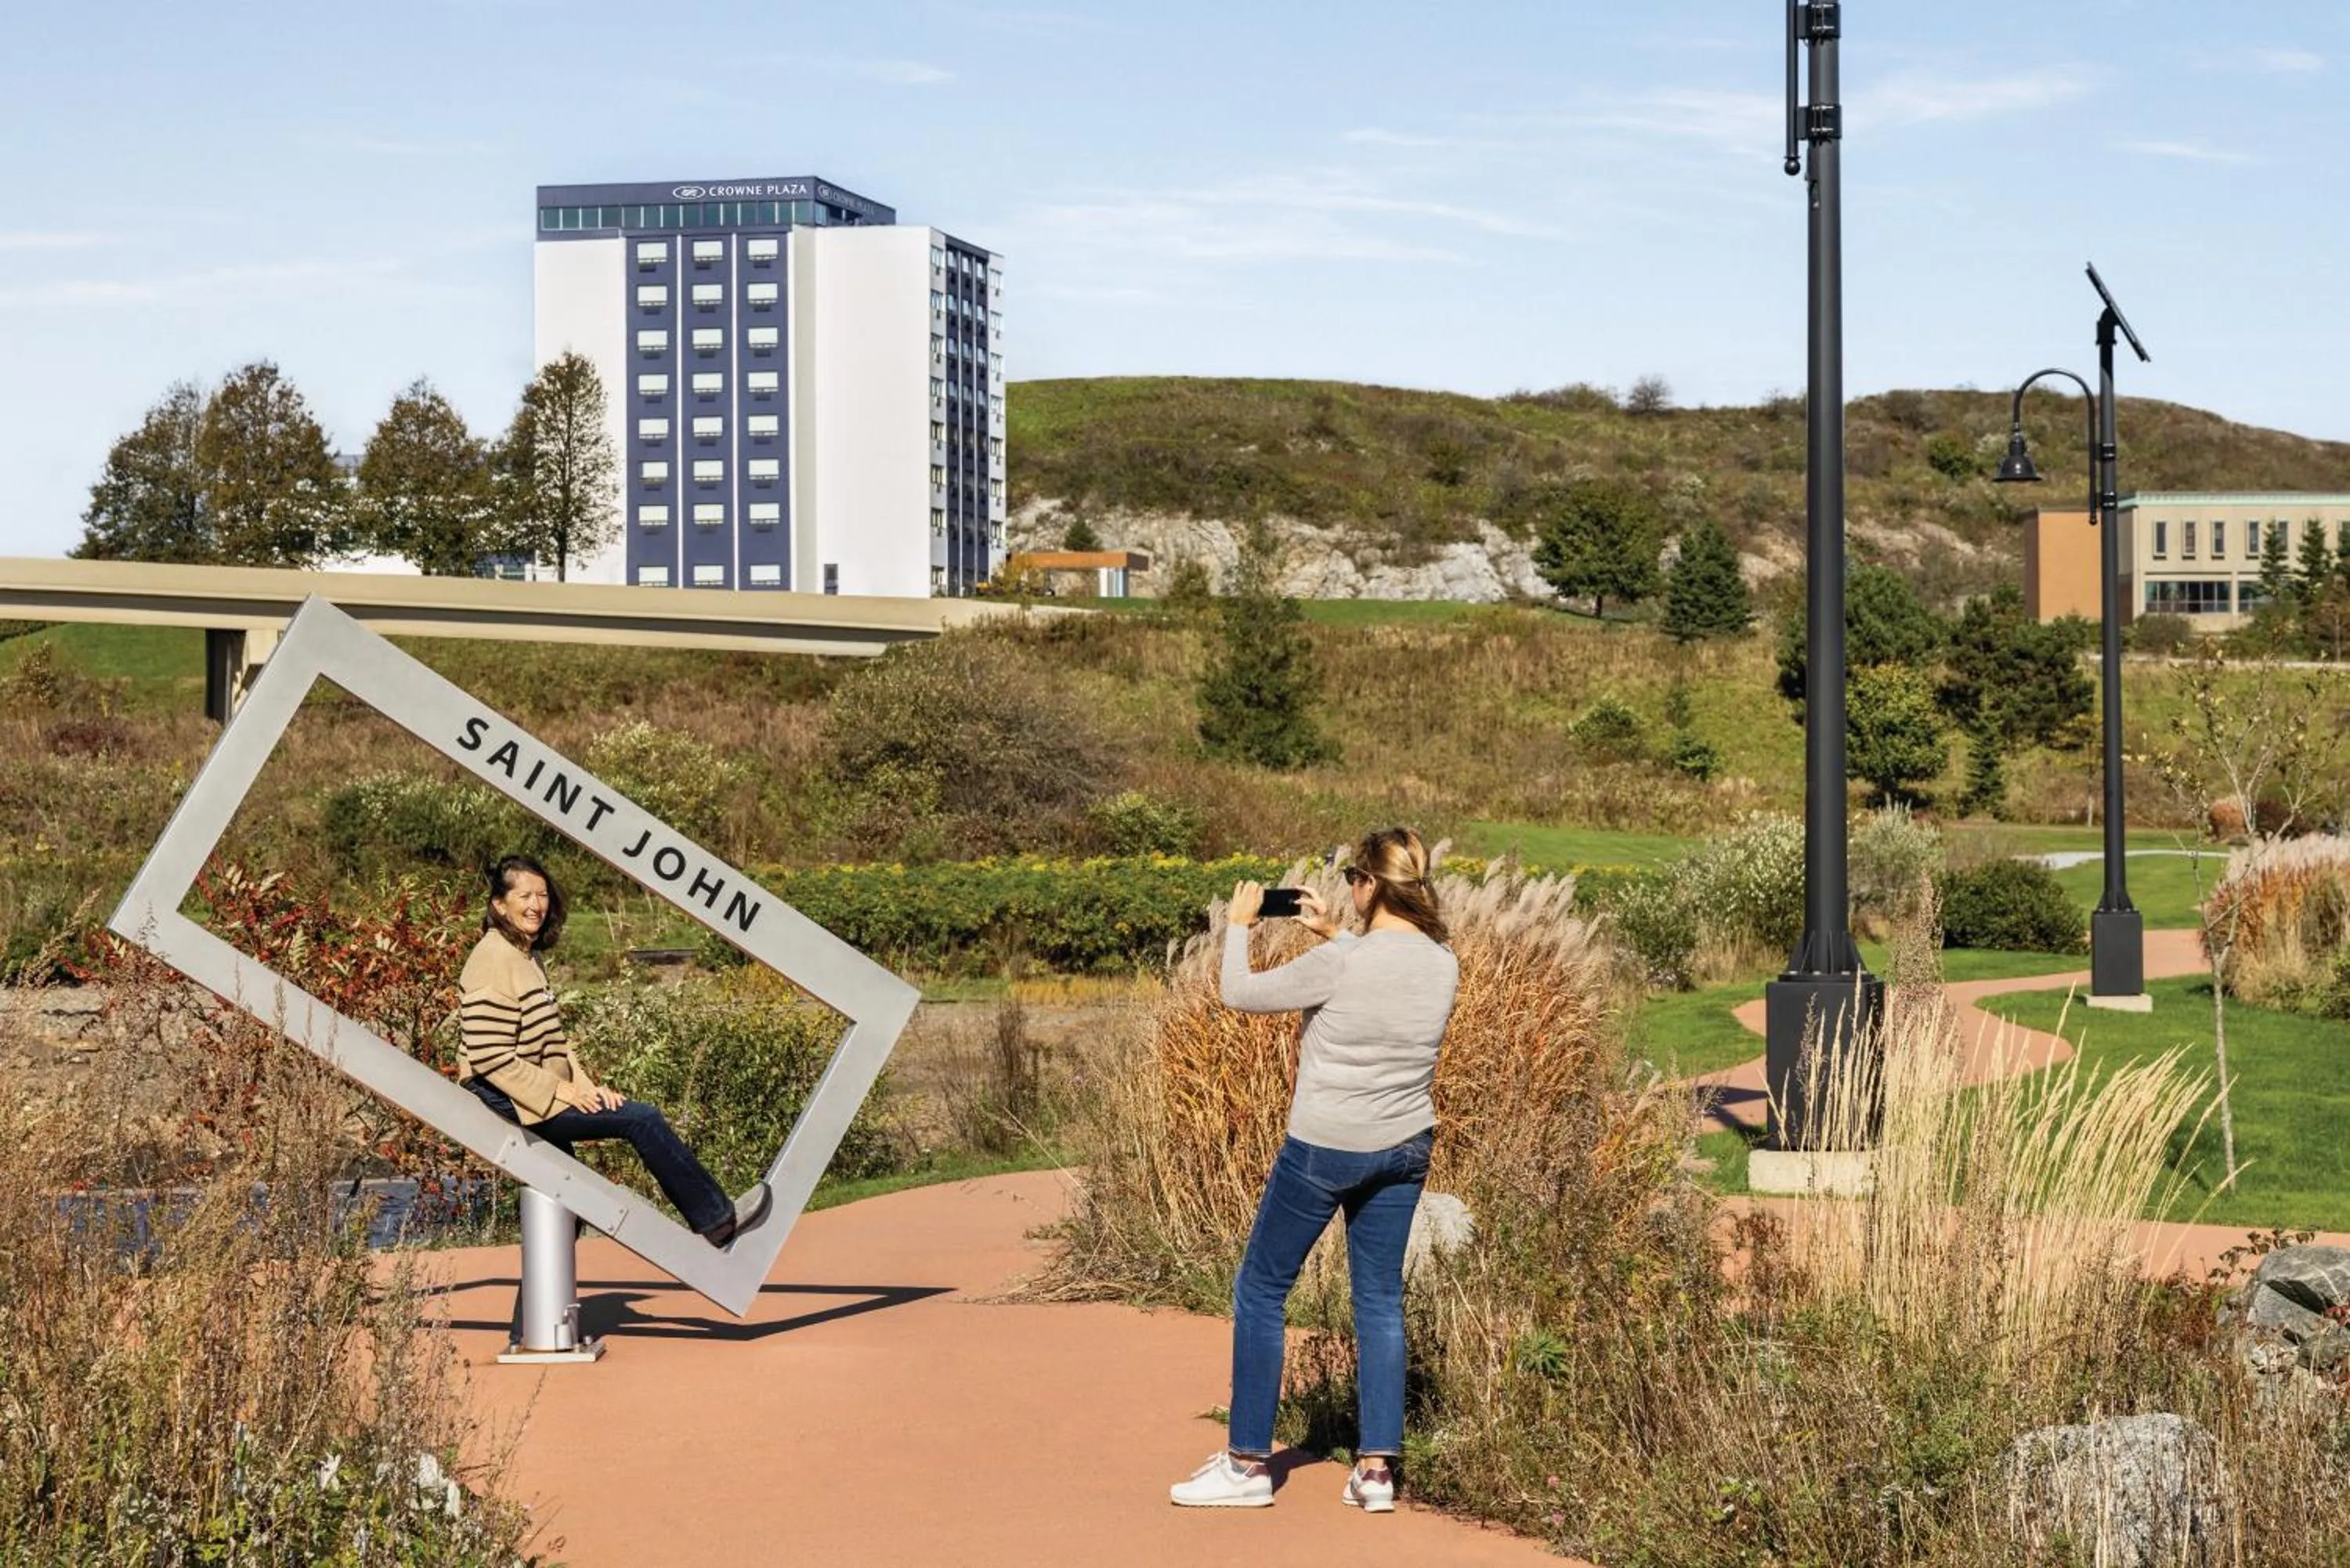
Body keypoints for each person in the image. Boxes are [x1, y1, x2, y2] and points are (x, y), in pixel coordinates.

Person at [1170, 827, 1459, 1515]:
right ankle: (1377, 1473)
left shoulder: (1346, 963)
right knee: (1380, 1300)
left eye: (1352, 880)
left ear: (1366, 884)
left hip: (1325, 1147)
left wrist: (1239, 927)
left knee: (1263, 1289)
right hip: (1405, 1146)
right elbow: (1378, 975)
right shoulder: (1442, 962)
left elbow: (1240, 993)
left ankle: (1246, 1465)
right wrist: (1335, 934)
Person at [457, 854, 770, 1248]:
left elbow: (554, 1043)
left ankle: (543, 1306)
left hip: (530, 1087)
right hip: (501, 1091)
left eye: (543, 894)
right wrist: (565, 1094)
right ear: (499, 905)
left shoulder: (525, 955)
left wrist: (589, 1087)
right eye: (525, 896)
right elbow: (488, 1054)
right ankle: (717, 1220)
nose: (537, 904)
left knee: (565, 1198)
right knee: (641, 1120)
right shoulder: (493, 957)